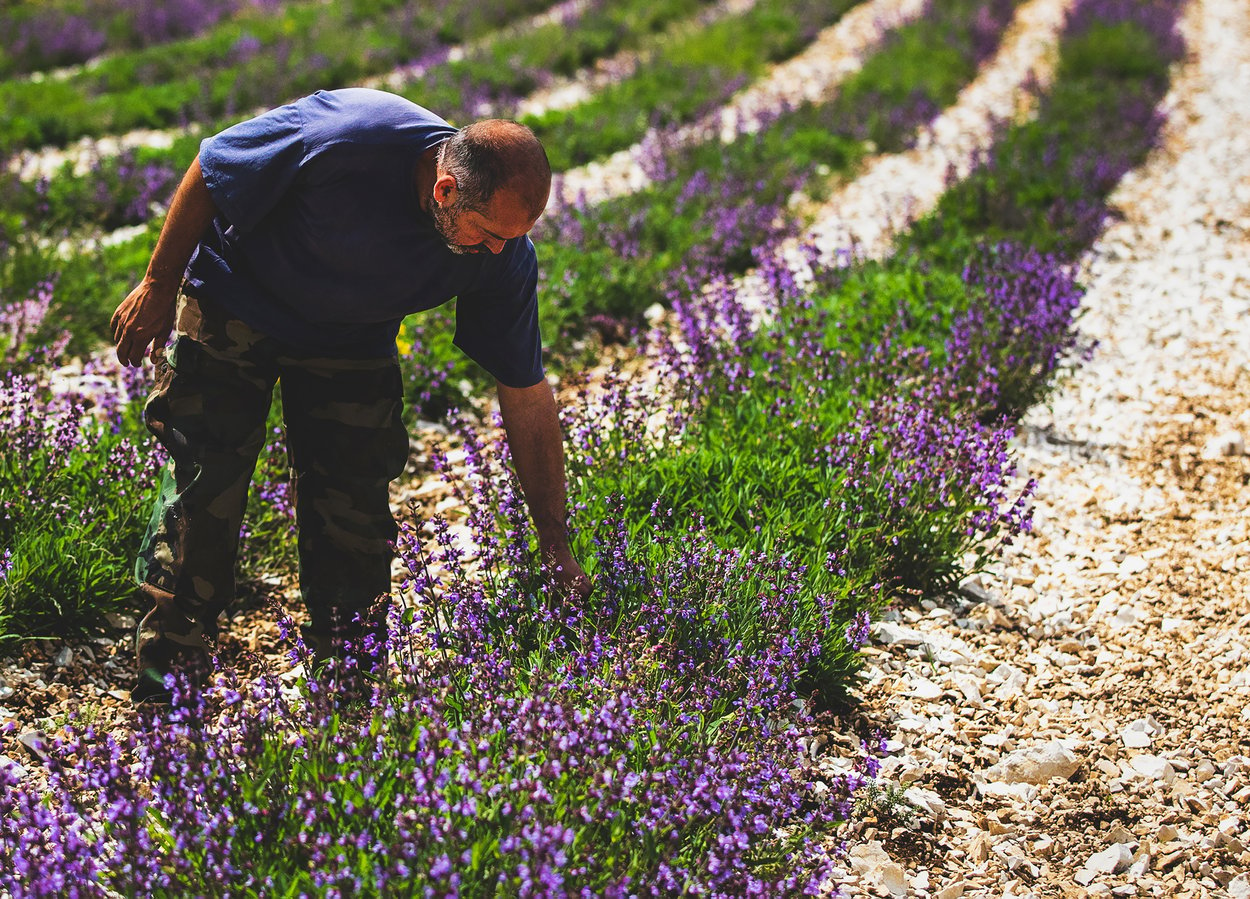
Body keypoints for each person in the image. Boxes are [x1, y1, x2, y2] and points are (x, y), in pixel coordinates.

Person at [110, 87, 591, 704]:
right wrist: (158, 282)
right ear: (444, 192)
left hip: (351, 334)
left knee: (354, 510)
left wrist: (554, 544)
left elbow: (525, 393)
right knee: (206, 489)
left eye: (513, 236)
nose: (499, 249)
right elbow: (213, 165)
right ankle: (167, 695)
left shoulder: (502, 251)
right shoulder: (346, 137)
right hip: (239, 299)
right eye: (488, 233)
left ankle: (348, 701)